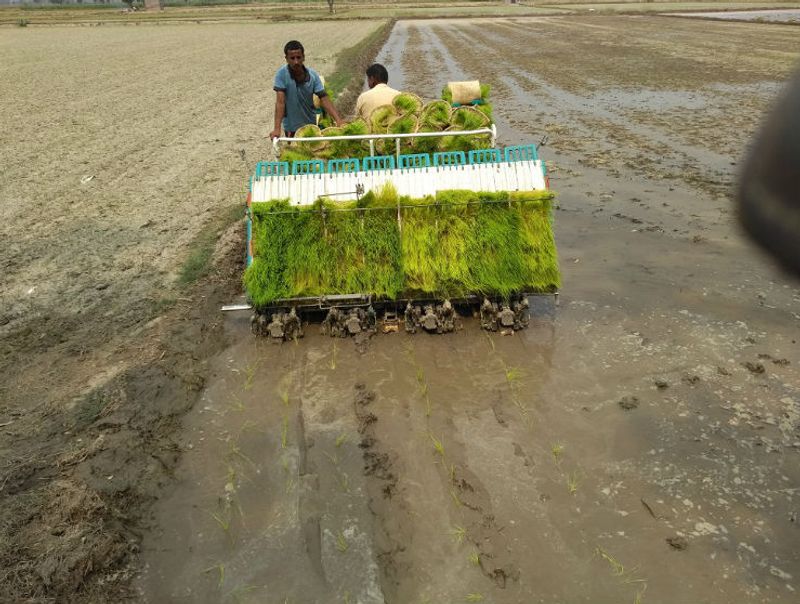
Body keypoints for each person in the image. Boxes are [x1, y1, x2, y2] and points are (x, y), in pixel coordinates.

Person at [269, 40, 343, 139]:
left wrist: (338, 120)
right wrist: (277, 129)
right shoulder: (281, 75)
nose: (296, 61)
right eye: (292, 58)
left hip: (310, 125)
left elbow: (323, 98)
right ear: (286, 59)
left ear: (303, 57)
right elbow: (280, 102)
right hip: (291, 128)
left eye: (299, 57)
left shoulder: (313, 75)